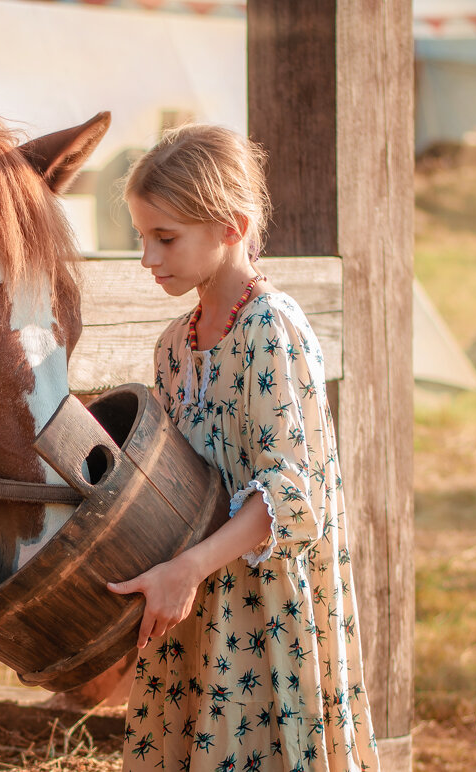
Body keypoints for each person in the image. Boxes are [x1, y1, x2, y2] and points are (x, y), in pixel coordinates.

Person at [106, 124, 382, 772]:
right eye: (142, 237)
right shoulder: (174, 346)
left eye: (165, 238)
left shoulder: (272, 329)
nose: (148, 258)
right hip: (194, 608)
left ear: (232, 226)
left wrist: (190, 568)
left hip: (266, 613)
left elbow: (292, 493)